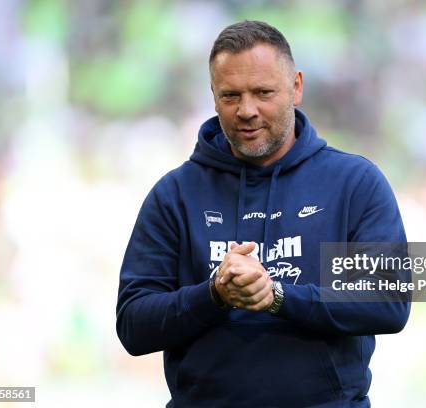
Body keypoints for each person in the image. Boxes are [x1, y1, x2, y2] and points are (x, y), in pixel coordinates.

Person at [116, 20, 410, 407]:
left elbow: (386, 302)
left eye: (263, 93)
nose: (246, 110)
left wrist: (278, 296)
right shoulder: (177, 194)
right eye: (230, 95)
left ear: (296, 87)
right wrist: (215, 294)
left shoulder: (351, 184)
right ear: (213, 96)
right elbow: (134, 325)